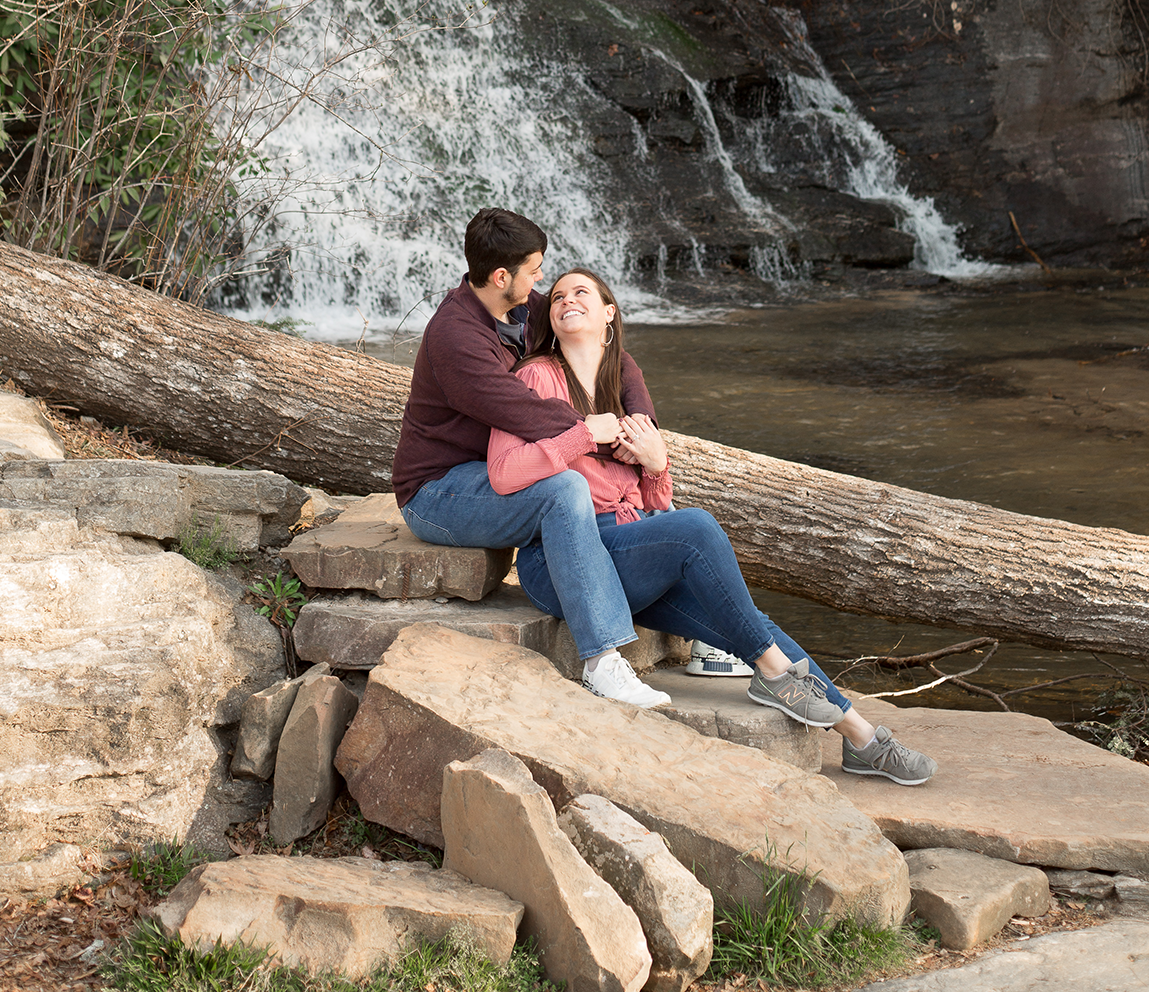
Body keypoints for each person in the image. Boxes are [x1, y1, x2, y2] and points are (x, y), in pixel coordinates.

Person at [488, 265, 937, 786]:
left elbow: (653, 500)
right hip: (565, 560)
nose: (567, 298)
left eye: (582, 291)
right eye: (558, 294)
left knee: (750, 622)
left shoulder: (621, 387)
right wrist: (582, 437)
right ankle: (774, 675)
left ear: (609, 312)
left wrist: (657, 464)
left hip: (628, 556)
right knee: (695, 529)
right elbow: (506, 473)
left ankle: (861, 737)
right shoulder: (536, 377)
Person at [393, 209, 657, 704]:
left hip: (503, 473)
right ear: (500, 277)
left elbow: (612, 355)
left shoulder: (523, 306)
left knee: (632, 508)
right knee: (565, 489)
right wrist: (603, 437)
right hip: (439, 491)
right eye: (535, 271)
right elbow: (529, 414)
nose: (541, 281)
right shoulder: (456, 338)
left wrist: (643, 431)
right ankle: (601, 660)